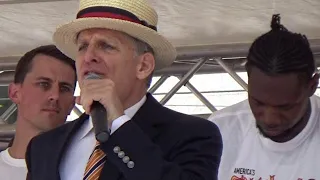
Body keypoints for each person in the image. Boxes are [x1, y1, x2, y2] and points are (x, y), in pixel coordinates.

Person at [25, 0, 223, 180]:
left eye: (106, 46)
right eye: (83, 46)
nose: (89, 57)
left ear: (143, 66)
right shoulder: (43, 146)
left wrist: (118, 124)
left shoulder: (192, 134)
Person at [208, 14, 320, 180]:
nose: (269, 119)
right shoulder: (220, 130)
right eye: (258, 103)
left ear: (312, 86)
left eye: (285, 107)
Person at [0, 45, 77, 180]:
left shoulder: (83, 169)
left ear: (72, 104)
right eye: (44, 84)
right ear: (15, 93)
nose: (55, 95)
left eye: (64, 88)